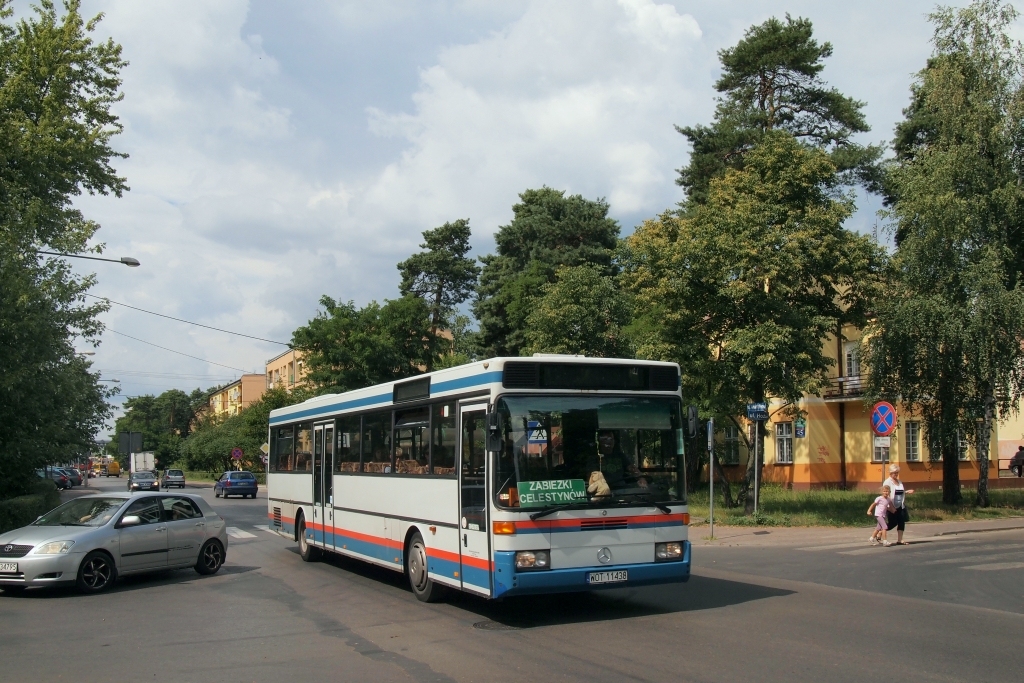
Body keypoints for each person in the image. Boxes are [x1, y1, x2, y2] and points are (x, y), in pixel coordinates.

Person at [883, 464, 915, 545]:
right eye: (894, 473)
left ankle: (900, 540)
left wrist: (907, 492)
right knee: (892, 523)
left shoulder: (899, 482)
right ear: (890, 473)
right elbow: (886, 493)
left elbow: (900, 492)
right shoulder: (887, 482)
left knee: (901, 521)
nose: (896, 474)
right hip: (891, 505)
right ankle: (880, 531)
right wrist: (889, 506)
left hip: (900, 504)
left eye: (897, 473)